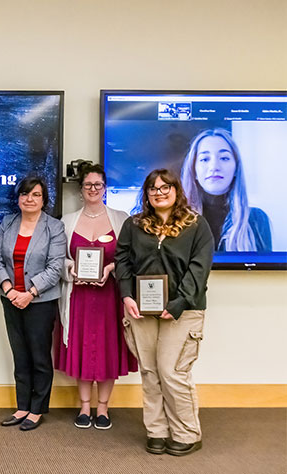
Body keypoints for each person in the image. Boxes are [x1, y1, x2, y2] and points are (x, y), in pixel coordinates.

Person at [115, 168, 214, 456]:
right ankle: (157, 431)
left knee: (172, 372)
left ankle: (186, 433)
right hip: (140, 311)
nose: (159, 193)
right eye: (153, 189)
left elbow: (199, 268)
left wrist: (179, 302)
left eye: (165, 187)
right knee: (149, 371)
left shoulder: (197, 225)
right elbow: (122, 260)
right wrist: (126, 295)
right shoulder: (133, 225)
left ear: (177, 190)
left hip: (184, 311)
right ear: (146, 194)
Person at [54, 163, 137, 430]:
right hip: (77, 296)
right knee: (80, 348)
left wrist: (111, 268)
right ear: (81, 190)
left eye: (98, 185)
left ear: (105, 188)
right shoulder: (66, 221)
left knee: (107, 350)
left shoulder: (122, 218)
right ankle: (84, 406)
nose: (93, 189)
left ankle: (103, 408)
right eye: (88, 185)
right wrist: (71, 268)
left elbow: (130, 258)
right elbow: (59, 259)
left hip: (109, 297)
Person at [0, 176, 66, 431]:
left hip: (41, 301)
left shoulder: (54, 227)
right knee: (20, 355)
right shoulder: (8, 222)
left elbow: (56, 267)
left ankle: (37, 409)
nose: (29, 199)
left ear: (44, 200)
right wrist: (10, 290)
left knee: (39, 356)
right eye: (24, 194)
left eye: (35, 195)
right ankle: (22, 406)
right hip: (10, 299)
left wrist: (30, 293)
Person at [181, 128, 271, 251]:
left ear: (236, 168)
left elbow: (266, 270)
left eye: (224, 158)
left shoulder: (256, 219)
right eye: (205, 159)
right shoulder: (174, 219)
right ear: (194, 170)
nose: (214, 167)